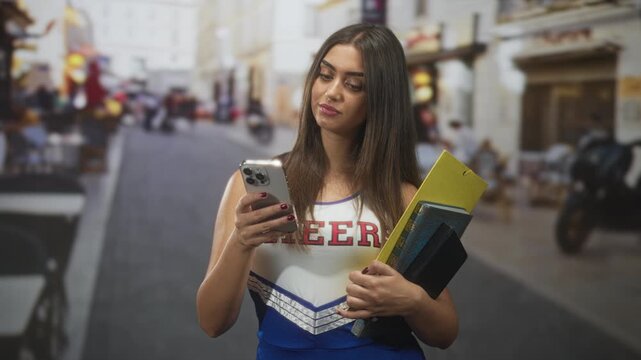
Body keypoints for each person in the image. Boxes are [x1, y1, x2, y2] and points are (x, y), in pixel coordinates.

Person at [197, 23, 459, 359]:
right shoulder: (250, 186)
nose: (332, 92)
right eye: (325, 75)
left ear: (381, 99)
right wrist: (241, 241)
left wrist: (413, 300)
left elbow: (445, 332)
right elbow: (211, 322)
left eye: (353, 85)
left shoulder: (404, 196)